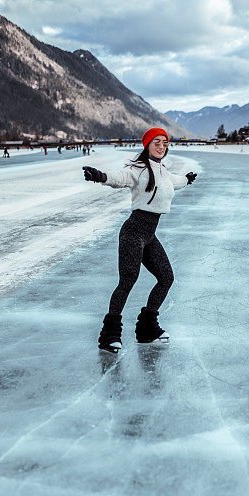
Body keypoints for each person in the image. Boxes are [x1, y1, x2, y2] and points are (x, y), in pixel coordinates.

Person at [83, 127, 197, 353]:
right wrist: (101, 176)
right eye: (156, 142)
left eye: (165, 142)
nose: (161, 146)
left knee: (166, 278)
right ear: (147, 144)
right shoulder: (138, 168)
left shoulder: (163, 171)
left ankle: (147, 329)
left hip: (149, 235)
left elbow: (175, 181)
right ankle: (110, 336)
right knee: (128, 281)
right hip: (133, 233)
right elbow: (120, 178)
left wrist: (186, 179)